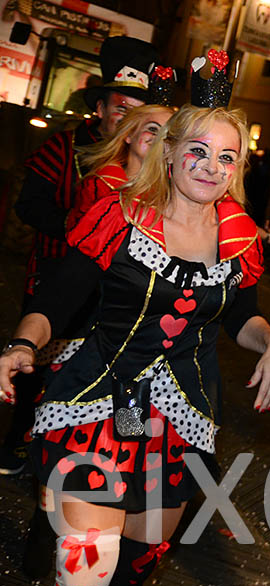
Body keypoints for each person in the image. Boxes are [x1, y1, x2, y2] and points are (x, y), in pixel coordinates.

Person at [0, 63, 270, 586]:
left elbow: (241, 315)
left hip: (177, 427)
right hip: (97, 405)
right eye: (199, 151)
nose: (210, 166)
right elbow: (57, 302)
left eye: (227, 157)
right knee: (85, 573)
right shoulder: (121, 216)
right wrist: (23, 343)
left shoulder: (239, 238)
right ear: (173, 151)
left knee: (132, 573)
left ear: (238, 168)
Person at [0, 37, 159, 477]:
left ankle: (123, 462)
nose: (131, 125)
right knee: (42, 369)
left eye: (143, 118)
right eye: (122, 110)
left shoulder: (159, 168)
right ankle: (23, 446)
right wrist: (79, 226)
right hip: (63, 277)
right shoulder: (67, 150)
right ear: (103, 108)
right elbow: (29, 205)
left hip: (124, 304)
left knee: (127, 380)